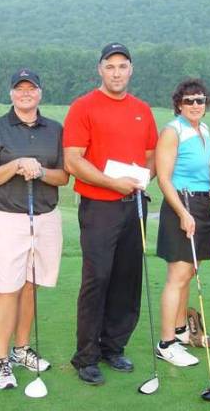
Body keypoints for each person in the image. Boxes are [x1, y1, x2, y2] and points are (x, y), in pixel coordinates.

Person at [63, 42, 158, 385]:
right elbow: (74, 159)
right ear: (100, 70)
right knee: (98, 278)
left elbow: (151, 155)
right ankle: (86, 356)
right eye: (110, 66)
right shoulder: (83, 107)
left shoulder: (142, 110)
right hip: (99, 206)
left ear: (130, 70)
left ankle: (113, 347)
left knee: (126, 279)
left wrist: (140, 179)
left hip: (133, 204)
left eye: (123, 66)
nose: (117, 72)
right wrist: (111, 182)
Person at [0, 69, 69, 389]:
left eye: (31, 88)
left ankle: (21, 349)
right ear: (11, 94)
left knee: (31, 285)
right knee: (7, 289)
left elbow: (63, 177)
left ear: (40, 93)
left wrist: (40, 169)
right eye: (20, 89)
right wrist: (17, 164)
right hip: (6, 218)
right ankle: (2, 361)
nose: (26, 93)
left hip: (45, 216)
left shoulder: (55, 129)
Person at [155, 78, 210, 367]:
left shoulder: (202, 128)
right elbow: (164, 178)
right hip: (182, 204)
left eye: (200, 100)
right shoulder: (172, 130)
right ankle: (165, 343)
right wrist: (182, 212)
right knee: (177, 277)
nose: (195, 105)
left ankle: (180, 331)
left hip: (202, 205)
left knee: (190, 272)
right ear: (179, 104)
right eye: (189, 100)